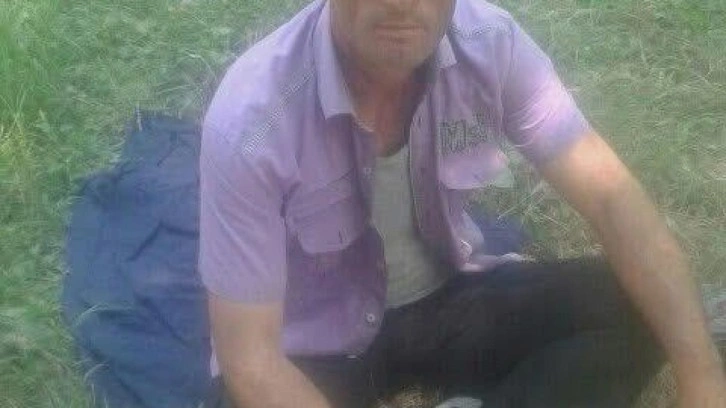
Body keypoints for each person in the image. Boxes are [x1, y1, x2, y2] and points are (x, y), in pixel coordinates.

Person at [198, 0, 726, 406]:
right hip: (316, 346)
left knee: (640, 307)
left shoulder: (489, 44)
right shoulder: (253, 121)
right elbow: (251, 361)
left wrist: (704, 379)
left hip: (445, 301)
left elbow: (613, 201)